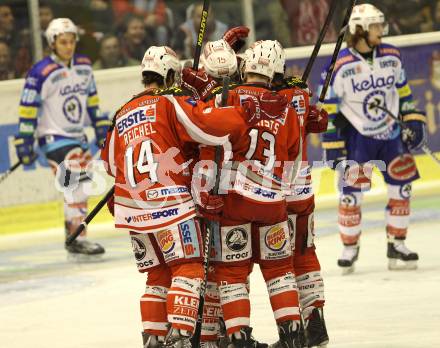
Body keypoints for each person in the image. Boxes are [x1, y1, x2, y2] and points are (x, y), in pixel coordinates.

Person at [100, 45, 287, 348]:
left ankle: (153, 338)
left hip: (132, 208)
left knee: (157, 278)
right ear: (171, 74)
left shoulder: (122, 112)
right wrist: (239, 114)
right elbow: (208, 128)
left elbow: (109, 163)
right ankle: (181, 338)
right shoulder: (169, 101)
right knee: (188, 266)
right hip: (171, 204)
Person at [183, 39, 303, 347]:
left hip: (235, 201)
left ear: (245, 66)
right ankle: (293, 334)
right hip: (273, 202)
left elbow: (206, 134)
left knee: (233, 271)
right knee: (279, 269)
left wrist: (203, 93)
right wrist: (280, 192)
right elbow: (292, 154)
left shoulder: (231, 98)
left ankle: (238, 337)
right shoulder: (286, 109)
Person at [320, 4, 426, 274]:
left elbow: (403, 91)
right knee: (351, 195)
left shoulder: (392, 55)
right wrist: (333, 144)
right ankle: (349, 247)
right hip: (359, 139)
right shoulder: (340, 65)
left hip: (391, 137)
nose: (382, 29)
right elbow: (329, 108)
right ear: (360, 31)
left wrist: (412, 117)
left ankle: (397, 243)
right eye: (376, 25)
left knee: (401, 189)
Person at [13, 18, 110, 260]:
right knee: (76, 183)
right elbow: (28, 108)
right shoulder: (40, 72)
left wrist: (99, 128)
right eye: (63, 42)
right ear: (52, 43)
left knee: (80, 187)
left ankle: (74, 237)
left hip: (76, 137)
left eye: (71, 41)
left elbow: (92, 101)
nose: (68, 46)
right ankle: (77, 238)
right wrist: (25, 141)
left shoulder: (85, 66)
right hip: (53, 138)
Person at [271, 41, 330, 348]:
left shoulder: (261, 96)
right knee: (305, 253)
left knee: (279, 261)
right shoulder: (301, 91)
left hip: (273, 193)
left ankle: (292, 330)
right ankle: (315, 319)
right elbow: (316, 120)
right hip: (303, 187)